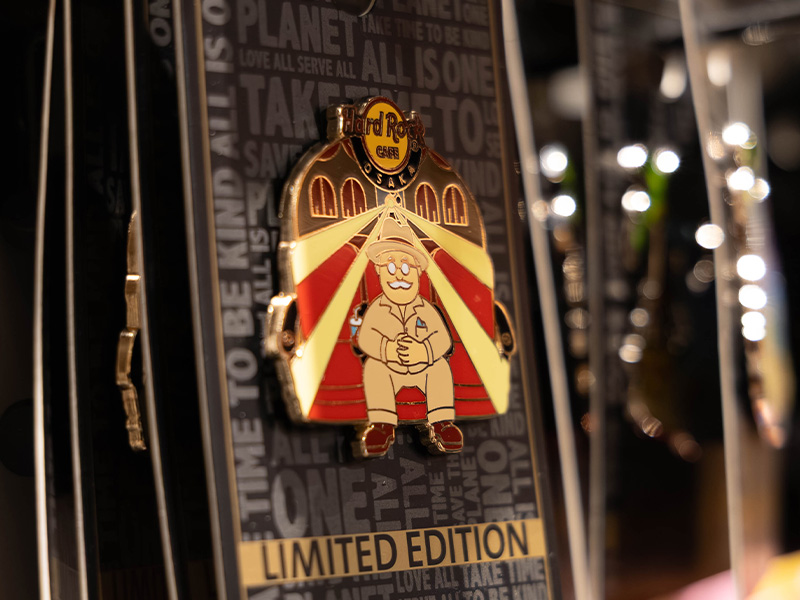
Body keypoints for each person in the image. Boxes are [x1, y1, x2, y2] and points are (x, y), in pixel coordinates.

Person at [355, 217, 464, 457]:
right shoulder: (377, 308)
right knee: (374, 367)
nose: (399, 276)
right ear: (379, 272)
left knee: (440, 367)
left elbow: (443, 340)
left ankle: (442, 423)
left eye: (405, 268)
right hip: (390, 367)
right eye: (390, 268)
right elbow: (366, 338)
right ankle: (382, 426)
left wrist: (423, 352)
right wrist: (387, 350)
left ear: (418, 273)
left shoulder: (425, 308)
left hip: (422, 367)